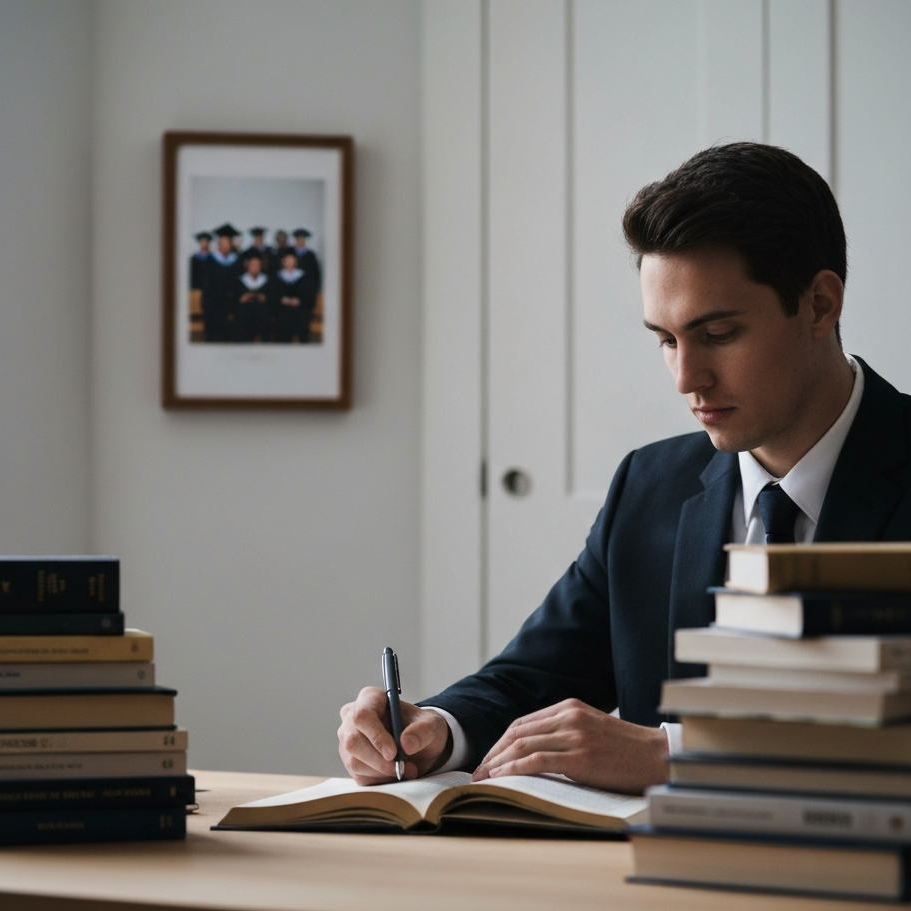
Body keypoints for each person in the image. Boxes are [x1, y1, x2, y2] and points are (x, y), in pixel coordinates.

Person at [338, 141, 911, 795]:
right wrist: (434, 729)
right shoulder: (650, 487)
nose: (686, 378)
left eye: (718, 334)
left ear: (819, 306)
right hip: (649, 887)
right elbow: (530, 677)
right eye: (666, 340)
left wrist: (677, 754)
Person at [204, 223, 242, 341]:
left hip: (230, 305)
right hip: (213, 305)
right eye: (222, 242)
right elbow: (207, 285)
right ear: (218, 244)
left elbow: (238, 284)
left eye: (227, 243)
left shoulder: (236, 261)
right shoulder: (210, 260)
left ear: (231, 245)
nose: (225, 246)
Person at [270, 252, 315, 342]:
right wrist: (281, 299)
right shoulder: (277, 276)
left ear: (296, 262)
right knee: (281, 320)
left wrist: (300, 300)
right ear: (283, 262)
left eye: (292, 260)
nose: (290, 262)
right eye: (287, 260)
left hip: (299, 308)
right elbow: (272, 294)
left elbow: (308, 294)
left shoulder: (303, 276)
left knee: (302, 319)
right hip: (282, 309)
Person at [235, 255, 271, 341]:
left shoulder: (266, 280)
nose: (255, 267)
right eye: (252, 265)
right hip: (245, 312)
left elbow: (271, 298)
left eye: (257, 265)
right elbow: (236, 298)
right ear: (247, 266)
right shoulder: (240, 280)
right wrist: (242, 298)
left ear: (261, 267)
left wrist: (264, 298)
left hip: (262, 312)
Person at [292, 229, 321, 296]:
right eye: (298, 239)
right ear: (296, 240)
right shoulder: (291, 253)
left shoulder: (310, 255)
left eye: (302, 239)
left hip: (307, 286)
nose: (300, 241)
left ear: (305, 241)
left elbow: (315, 272)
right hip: (293, 286)